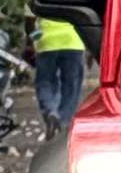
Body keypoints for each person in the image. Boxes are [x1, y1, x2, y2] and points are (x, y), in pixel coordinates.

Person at [25, 10, 86, 139]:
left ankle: (51, 112)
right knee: (71, 86)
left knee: (45, 82)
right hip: (73, 40)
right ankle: (63, 122)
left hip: (46, 41)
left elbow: (30, 20)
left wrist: (29, 43)